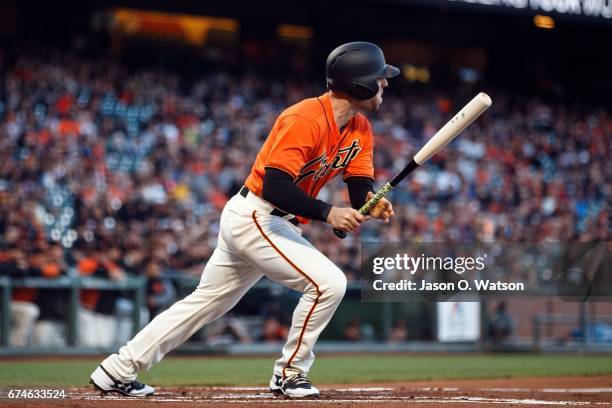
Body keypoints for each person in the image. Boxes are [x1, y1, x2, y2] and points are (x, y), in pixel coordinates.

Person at [89, 41, 397, 398]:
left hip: (269, 221)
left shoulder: (361, 128)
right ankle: (290, 372)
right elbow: (275, 185)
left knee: (205, 303)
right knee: (329, 283)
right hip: (258, 215)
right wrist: (329, 213)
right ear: (360, 86)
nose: (386, 83)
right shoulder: (305, 118)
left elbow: (360, 190)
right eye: (380, 77)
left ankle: (117, 369)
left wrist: (371, 205)